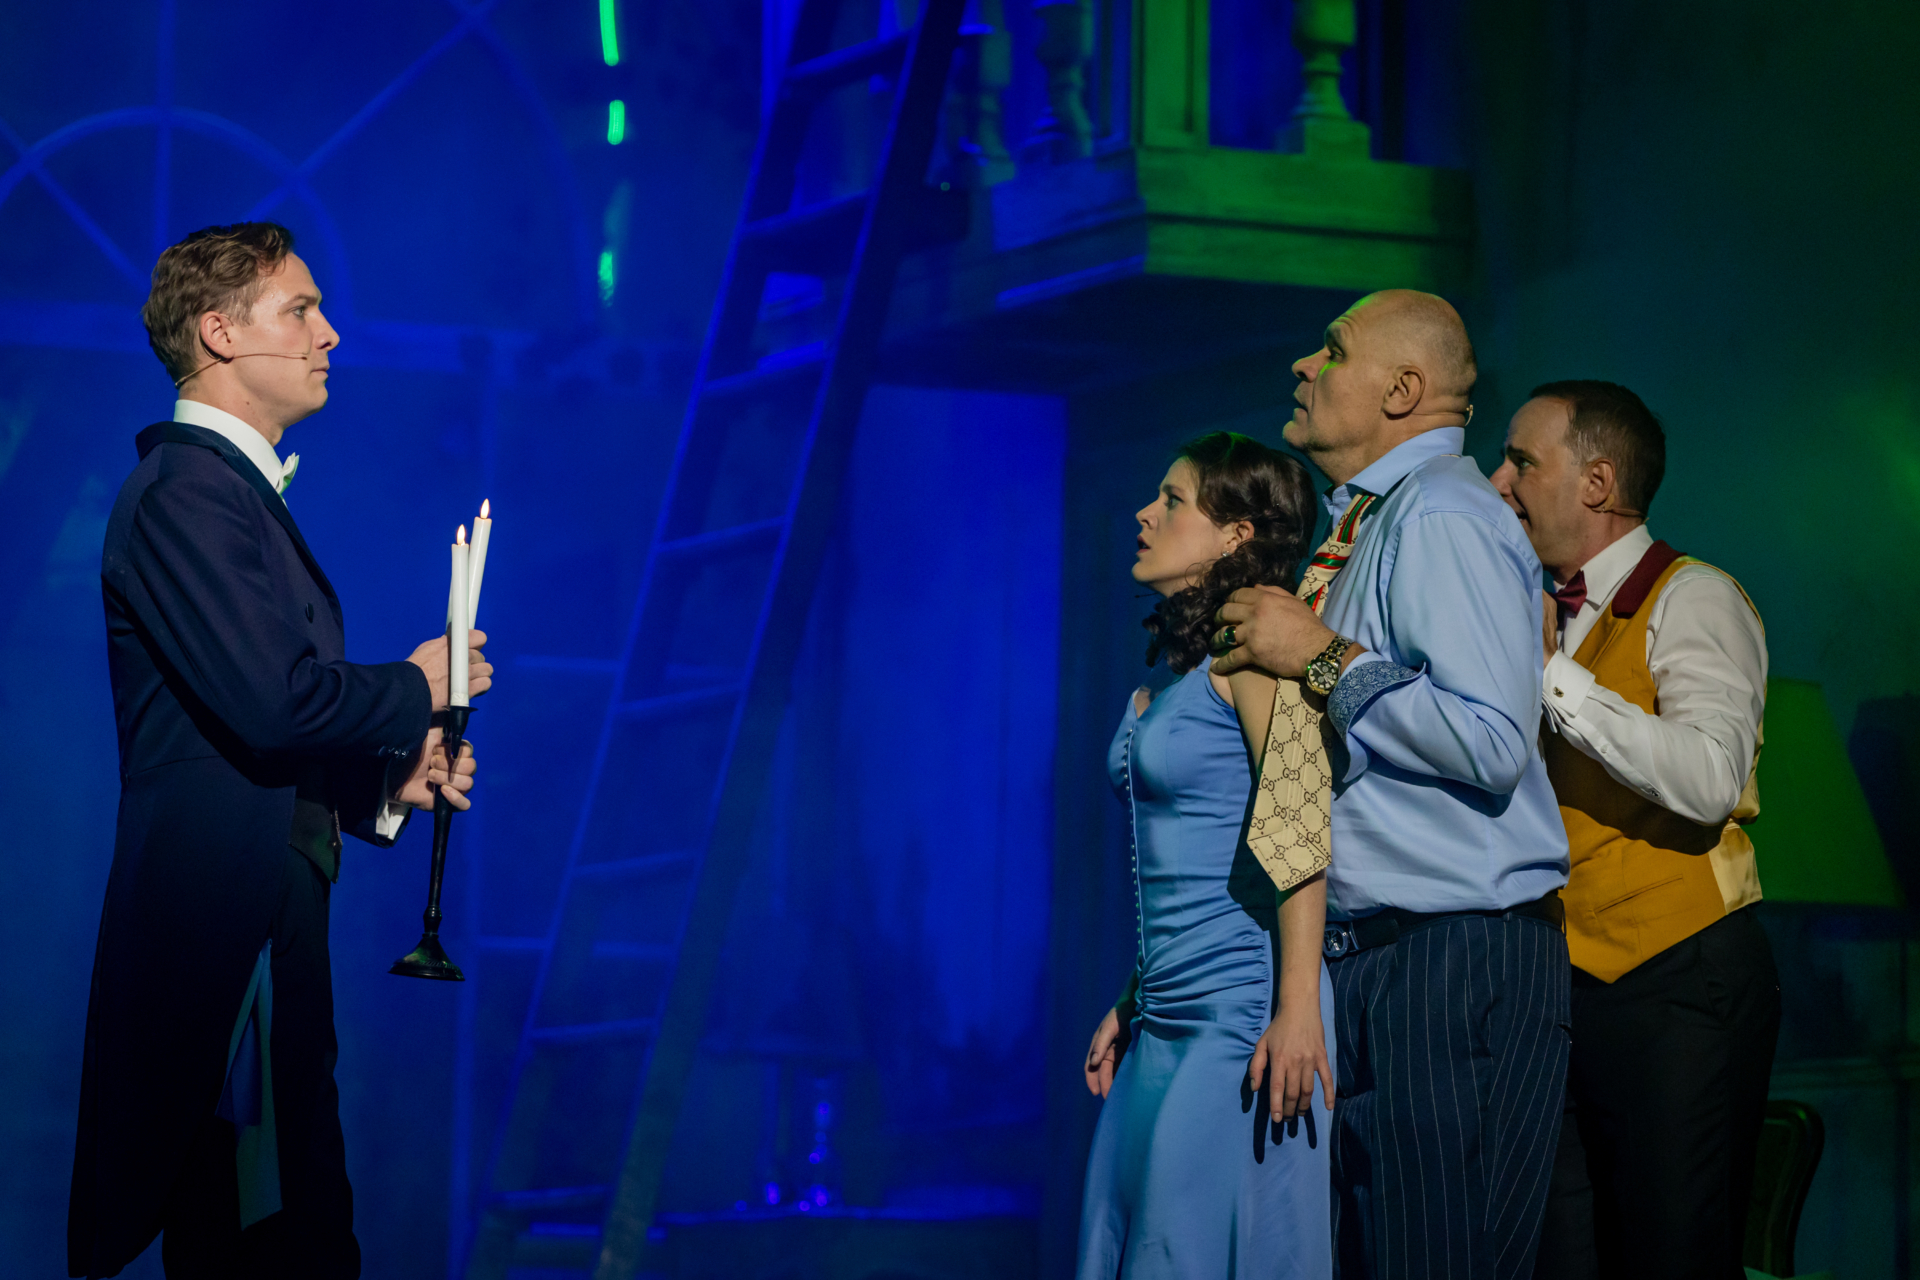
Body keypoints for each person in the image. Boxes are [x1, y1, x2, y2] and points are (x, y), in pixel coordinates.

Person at [68, 222, 487, 1279]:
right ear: (219, 332)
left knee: (283, 1228)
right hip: (225, 933)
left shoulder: (222, 493)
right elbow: (269, 704)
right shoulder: (186, 490)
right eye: (300, 309)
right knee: (273, 1238)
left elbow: (241, 737)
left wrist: (383, 783)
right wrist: (416, 685)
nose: (328, 333)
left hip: (259, 920)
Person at [1212, 290, 1573, 1280]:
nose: (1304, 365)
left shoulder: (1443, 512)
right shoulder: (1374, 522)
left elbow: (1491, 740)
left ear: (1404, 389)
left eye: (1332, 351)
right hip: (1381, 959)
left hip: (1453, 960)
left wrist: (1320, 654)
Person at [1489, 382, 1777, 1280]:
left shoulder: (1695, 597)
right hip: (1561, 988)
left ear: (1598, 482)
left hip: (1678, 982)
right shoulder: (1538, 609)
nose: (1499, 481)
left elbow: (1711, 777)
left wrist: (1552, 678)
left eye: (1522, 461)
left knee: (1672, 1255)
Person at [1076, 432, 1337, 1279]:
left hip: (1238, 1012)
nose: (1144, 514)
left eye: (1172, 500)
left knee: (1185, 1247)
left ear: (1235, 535)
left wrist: (1298, 1007)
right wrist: (1132, 995)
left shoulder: (1258, 653)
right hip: (1162, 1017)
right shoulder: (1180, 675)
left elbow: (1300, 819)